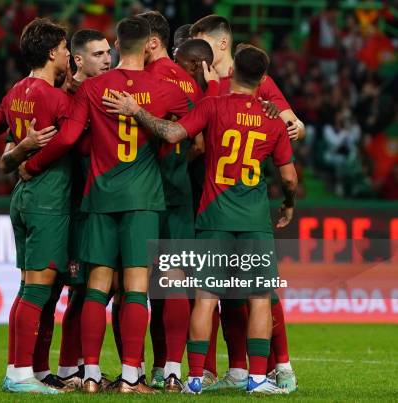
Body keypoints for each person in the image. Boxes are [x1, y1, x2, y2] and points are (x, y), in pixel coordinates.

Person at [102, 43, 298, 395]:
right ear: (263, 79)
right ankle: (256, 378)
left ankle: (194, 378)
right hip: (254, 220)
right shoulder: (272, 117)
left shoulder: (213, 106)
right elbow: (289, 178)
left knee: (206, 297)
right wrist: (287, 204)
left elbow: (173, 133)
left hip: (212, 217)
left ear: (233, 71)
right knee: (258, 298)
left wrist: (136, 111)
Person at [23, 15, 191, 394]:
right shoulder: (164, 88)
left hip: (98, 198)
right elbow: (197, 118)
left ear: (116, 46)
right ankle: (131, 378)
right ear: (148, 44)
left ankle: (92, 376)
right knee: (135, 288)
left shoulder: (93, 88)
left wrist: (30, 164)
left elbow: (67, 139)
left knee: (96, 288)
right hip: (144, 200)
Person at [191, 15, 300, 392]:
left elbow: (294, 125)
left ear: (222, 45)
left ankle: (281, 365)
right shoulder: (201, 82)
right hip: (207, 195)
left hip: (234, 199)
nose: (196, 48)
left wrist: (278, 119)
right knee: (227, 294)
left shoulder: (259, 82)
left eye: (200, 40)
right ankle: (238, 369)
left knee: (257, 293)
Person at [0, 18, 71, 394]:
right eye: (66, 49)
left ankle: (22, 370)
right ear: (53, 52)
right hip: (47, 200)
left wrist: (18, 142)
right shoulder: (55, 98)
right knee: (37, 291)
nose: (69, 54)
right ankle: (20, 375)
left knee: (26, 289)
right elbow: (74, 137)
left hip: (21, 197)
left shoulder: (16, 89)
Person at [138, 11, 219, 392]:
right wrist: (175, 161)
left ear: (150, 42)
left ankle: (134, 370)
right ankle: (172, 369)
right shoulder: (190, 85)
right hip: (180, 192)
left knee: (136, 286)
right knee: (175, 283)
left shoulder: (143, 78)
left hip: (139, 193)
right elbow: (200, 143)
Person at [55, 28, 112, 389]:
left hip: (93, 204)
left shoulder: (99, 91)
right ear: (78, 60)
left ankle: (72, 366)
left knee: (88, 287)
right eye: (99, 54)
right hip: (74, 204)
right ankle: (65, 368)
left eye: (109, 52)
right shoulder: (69, 95)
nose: (108, 59)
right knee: (77, 289)